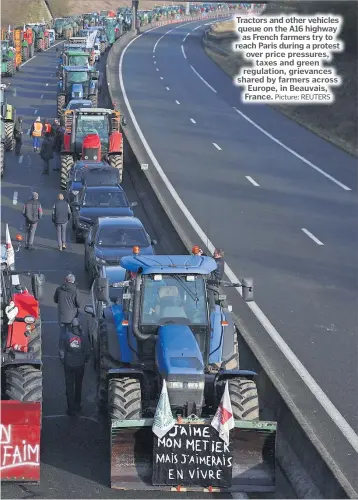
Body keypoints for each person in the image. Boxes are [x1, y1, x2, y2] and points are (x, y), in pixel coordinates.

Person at [59, 317, 90, 416]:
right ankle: (77, 404)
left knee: (69, 386)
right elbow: (88, 352)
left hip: (68, 363)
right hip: (80, 364)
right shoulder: (84, 337)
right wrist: (85, 361)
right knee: (78, 385)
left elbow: (61, 351)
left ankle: (70, 408)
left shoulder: (65, 336)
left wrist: (63, 361)